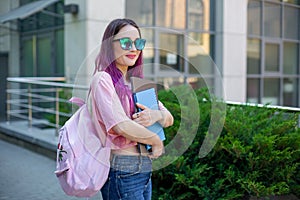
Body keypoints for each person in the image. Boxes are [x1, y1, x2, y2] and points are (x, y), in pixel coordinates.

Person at [90, 18, 174, 200]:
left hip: (144, 167)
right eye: (126, 42)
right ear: (109, 45)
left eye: (139, 43)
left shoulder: (137, 83)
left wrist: (155, 115)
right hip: (123, 168)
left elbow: (169, 119)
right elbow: (120, 125)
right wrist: (155, 141)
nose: (134, 48)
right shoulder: (103, 79)